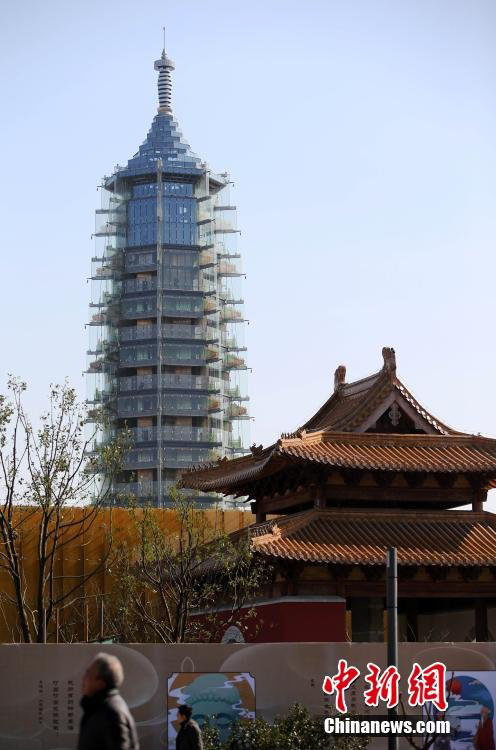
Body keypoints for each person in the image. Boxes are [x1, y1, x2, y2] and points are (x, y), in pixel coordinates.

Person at [78, 652, 139, 750]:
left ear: (101, 683)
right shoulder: (96, 708)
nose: (83, 678)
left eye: (88, 674)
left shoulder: (113, 714)